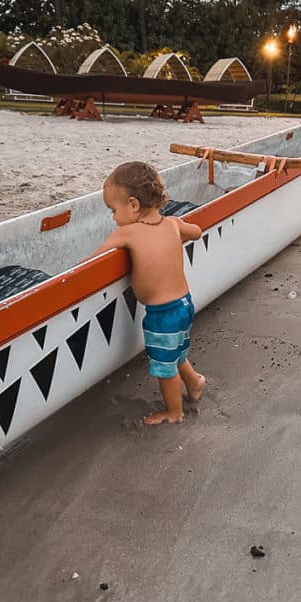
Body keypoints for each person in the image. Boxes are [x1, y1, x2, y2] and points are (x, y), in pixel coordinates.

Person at [85, 161, 206, 425]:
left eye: (112, 210)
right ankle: (195, 382)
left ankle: (174, 412)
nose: (113, 217)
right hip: (185, 304)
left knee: (165, 368)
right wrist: (175, 238)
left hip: (162, 314)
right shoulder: (172, 223)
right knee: (176, 352)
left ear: (133, 205)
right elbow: (196, 232)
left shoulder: (126, 233)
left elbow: (90, 264)